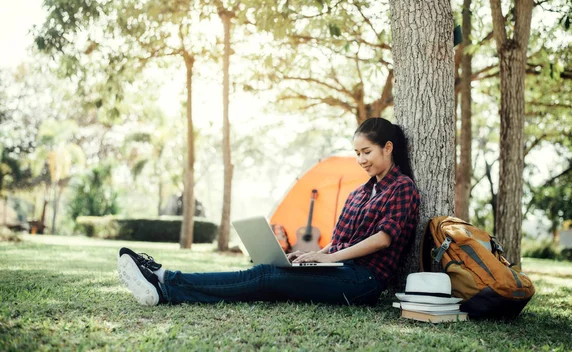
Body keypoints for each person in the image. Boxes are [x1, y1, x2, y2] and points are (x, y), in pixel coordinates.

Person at [117, 117, 420, 307]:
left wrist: (328, 258)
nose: (361, 160)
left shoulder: (402, 187)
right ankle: (163, 285)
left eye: (367, 152)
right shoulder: (360, 192)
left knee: (264, 278)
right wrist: (311, 257)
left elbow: (383, 239)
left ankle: (165, 279)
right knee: (268, 277)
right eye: (357, 153)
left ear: (388, 148)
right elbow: (339, 240)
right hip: (338, 269)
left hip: (363, 282)